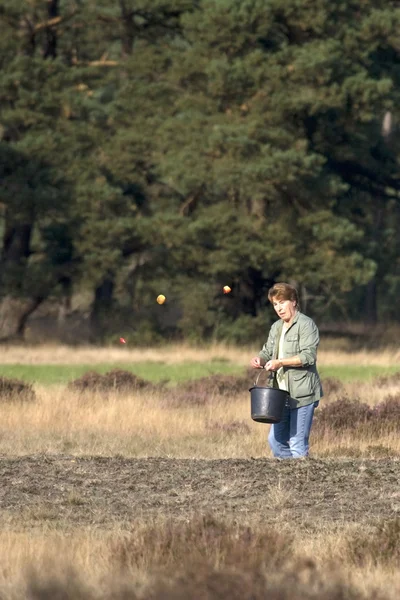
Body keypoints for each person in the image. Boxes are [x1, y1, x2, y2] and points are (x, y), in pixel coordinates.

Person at [250, 282, 323, 459]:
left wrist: (280, 362)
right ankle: (290, 477)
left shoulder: (306, 325)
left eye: (282, 302)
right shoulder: (276, 327)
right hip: (280, 396)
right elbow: (267, 351)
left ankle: (301, 481)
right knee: (275, 441)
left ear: (294, 301)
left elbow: (308, 357)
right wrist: (260, 359)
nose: (279, 308)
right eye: (275, 304)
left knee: (297, 443)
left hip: (303, 395)